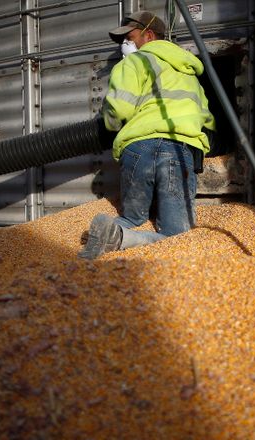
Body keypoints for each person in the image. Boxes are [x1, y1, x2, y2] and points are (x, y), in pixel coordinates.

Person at [79, 11, 216, 259]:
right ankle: (121, 241)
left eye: (129, 38)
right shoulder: (190, 75)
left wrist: (109, 123)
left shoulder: (133, 63)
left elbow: (119, 109)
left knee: (132, 217)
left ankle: (115, 235)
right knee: (179, 235)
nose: (125, 45)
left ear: (149, 35)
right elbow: (206, 118)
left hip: (138, 149)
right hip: (178, 150)